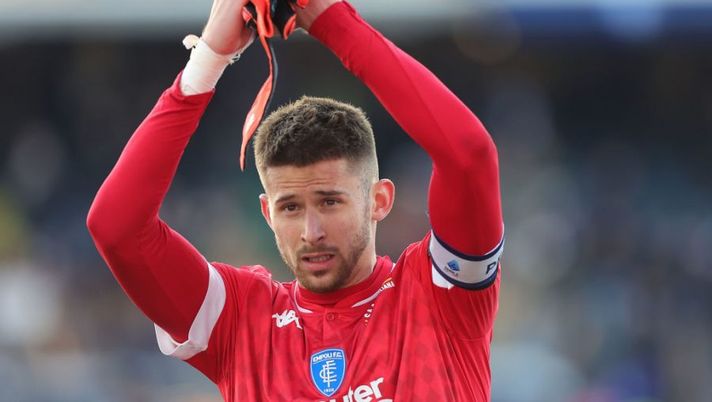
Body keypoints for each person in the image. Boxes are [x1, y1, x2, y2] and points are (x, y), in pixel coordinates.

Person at [87, 0, 505, 400]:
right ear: (267, 213)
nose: (311, 232)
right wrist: (207, 60)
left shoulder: (438, 296)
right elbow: (115, 228)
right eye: (290, 207)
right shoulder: (238, 318)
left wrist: (329, 18)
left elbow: (469, 157)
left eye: (329, 202)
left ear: (379, 200)